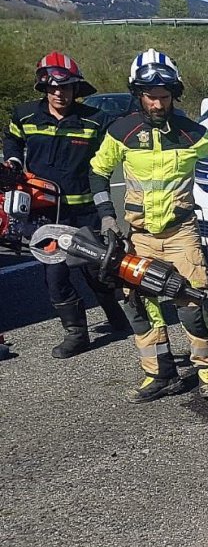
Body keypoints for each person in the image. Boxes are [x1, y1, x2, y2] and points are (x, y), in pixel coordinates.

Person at [90, 49, 208, 403]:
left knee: (190, 303)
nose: (158, 104)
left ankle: (207, 370)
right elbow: (98, 172)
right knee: (140, 305)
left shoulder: (191, 133)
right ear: (138, 95)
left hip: (181, 234)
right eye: (150, 97)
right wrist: (107, 217)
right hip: (140, 237)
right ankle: (158, 374)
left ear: (174, 94)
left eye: (164, 97)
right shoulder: (122, 132)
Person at [3, 52, 129, 358]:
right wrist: (14, 161)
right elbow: (12, 140)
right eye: (54, 88)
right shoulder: (25, 116)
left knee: (98, 270)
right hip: (44, 214)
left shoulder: (95, 121)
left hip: (85, 212)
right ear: (44, 88)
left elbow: (114, 154)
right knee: (56, 276)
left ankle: (117, 316)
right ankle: (77, 334)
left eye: (67, 87)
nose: (60, 93)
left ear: (76, 89)